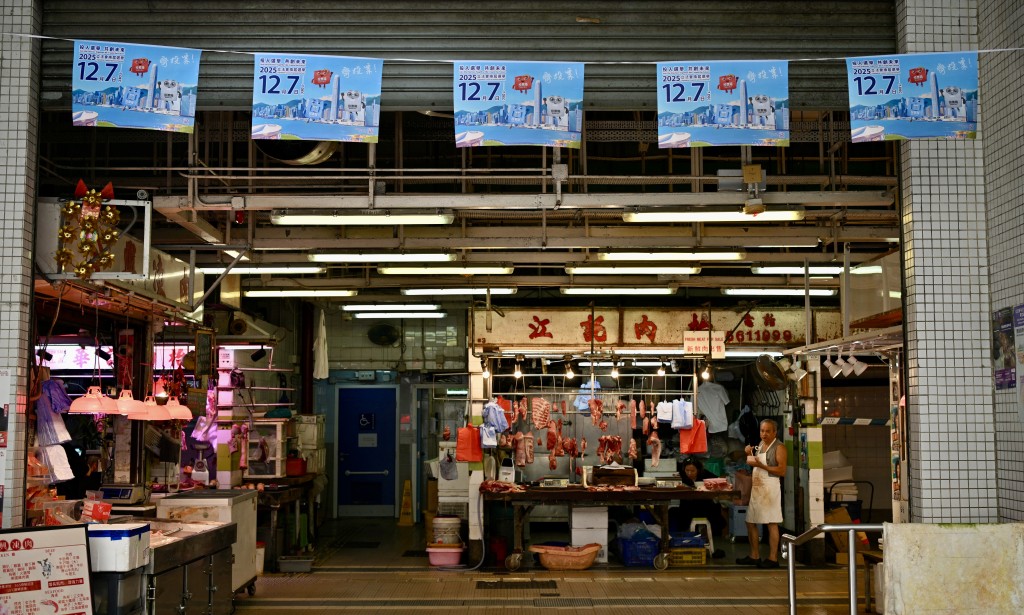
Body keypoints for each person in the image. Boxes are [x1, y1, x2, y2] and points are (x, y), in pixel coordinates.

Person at [736, 419, 787, 568]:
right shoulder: (760, 445)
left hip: (770, 489)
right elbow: (756, 464)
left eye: (767, 431)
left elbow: (782, 470)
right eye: (762, 431)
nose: (764, 434)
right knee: (750, 521)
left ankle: (772, 559)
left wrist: (759, 464)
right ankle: (754, 555)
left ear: (774, 432)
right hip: (758, 489)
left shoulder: (779, 447)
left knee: (772, 523)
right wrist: (749, 453)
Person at [675, 457, 726, 558]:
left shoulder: (705, 475)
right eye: (687, 470)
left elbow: (720, 482)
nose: (689, 473)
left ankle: (704, 541)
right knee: (678, 513)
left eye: (692, 470)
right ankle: (687, 541)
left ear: (698, 469)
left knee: (714, 509)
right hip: (687, 506)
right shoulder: (681, 476)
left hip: (704, 505)